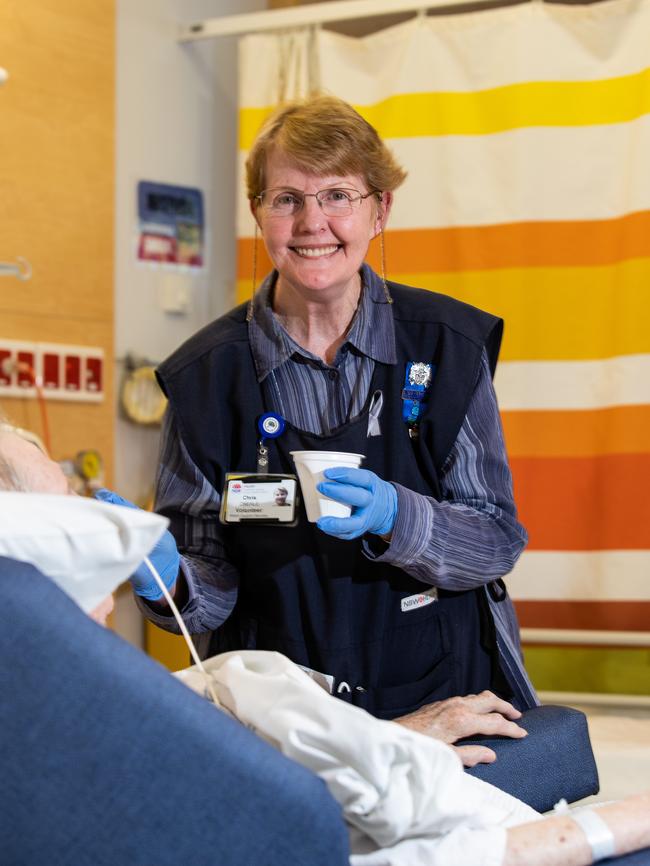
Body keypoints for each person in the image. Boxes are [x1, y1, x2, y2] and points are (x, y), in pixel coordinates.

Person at [140, 95, 537, 734]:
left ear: (379, 210)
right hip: (283, 721)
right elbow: (204, 599)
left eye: (338, 196)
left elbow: (494, 542)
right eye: (287, 198)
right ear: (258, 214)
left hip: (445, 699)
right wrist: (169, 581)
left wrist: (396, 515)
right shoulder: (204, 379)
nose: (311, 221)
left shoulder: (446, 347)